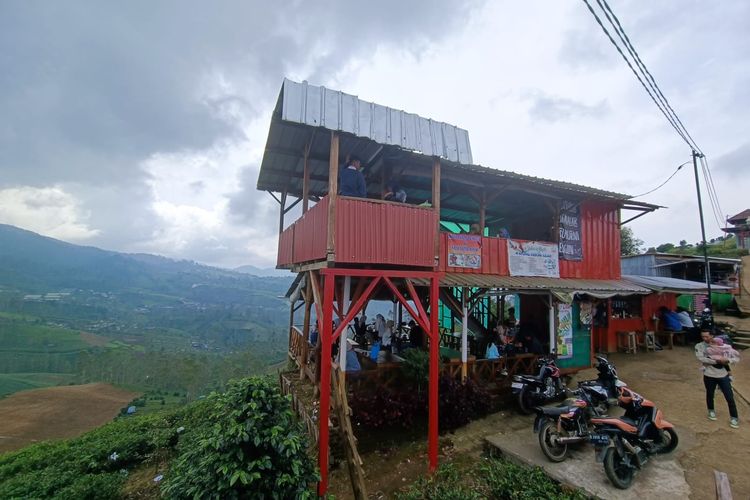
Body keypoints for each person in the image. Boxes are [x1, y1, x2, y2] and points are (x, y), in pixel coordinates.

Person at [695, 330, 739, 428]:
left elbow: (735, 357)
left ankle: (734, 417)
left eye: (707, 336)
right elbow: (701, 358)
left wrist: (728, 360)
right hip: (709, 374)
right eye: (703, 337)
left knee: (729, 397)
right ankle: (711, 411)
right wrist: (719, 361)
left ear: (712, 336)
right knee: (710, 394)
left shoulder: (723, 345)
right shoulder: (699, 346)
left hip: (723, 375)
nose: (705, 339)